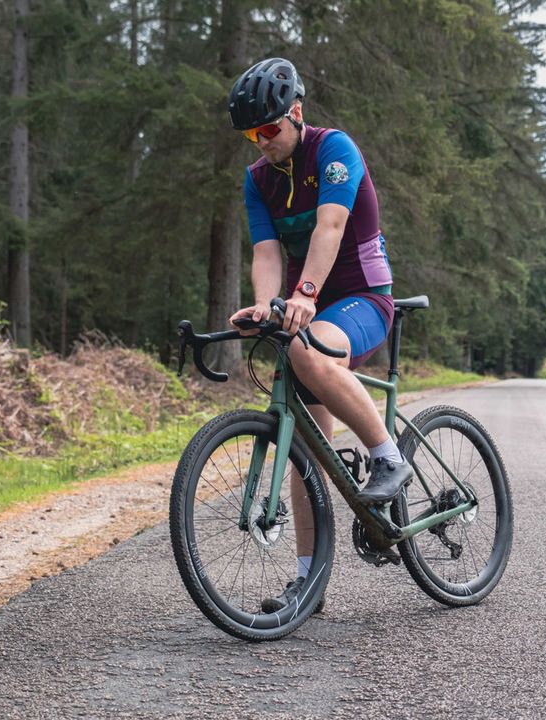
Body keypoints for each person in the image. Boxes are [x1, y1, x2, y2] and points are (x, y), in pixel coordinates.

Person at [226, 57, 413, 612]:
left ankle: (387, 457)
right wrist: (265, 306)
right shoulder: (258, 179)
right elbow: (264, 252)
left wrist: (304, 293)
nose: (260, 142)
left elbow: (330, 228)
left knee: (309, 355)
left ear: (296, 114)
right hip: (306, 307)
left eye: (268, 129)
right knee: (307, 444)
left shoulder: (334, 150)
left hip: (363, 298)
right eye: (249, 134)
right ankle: (309, 581)